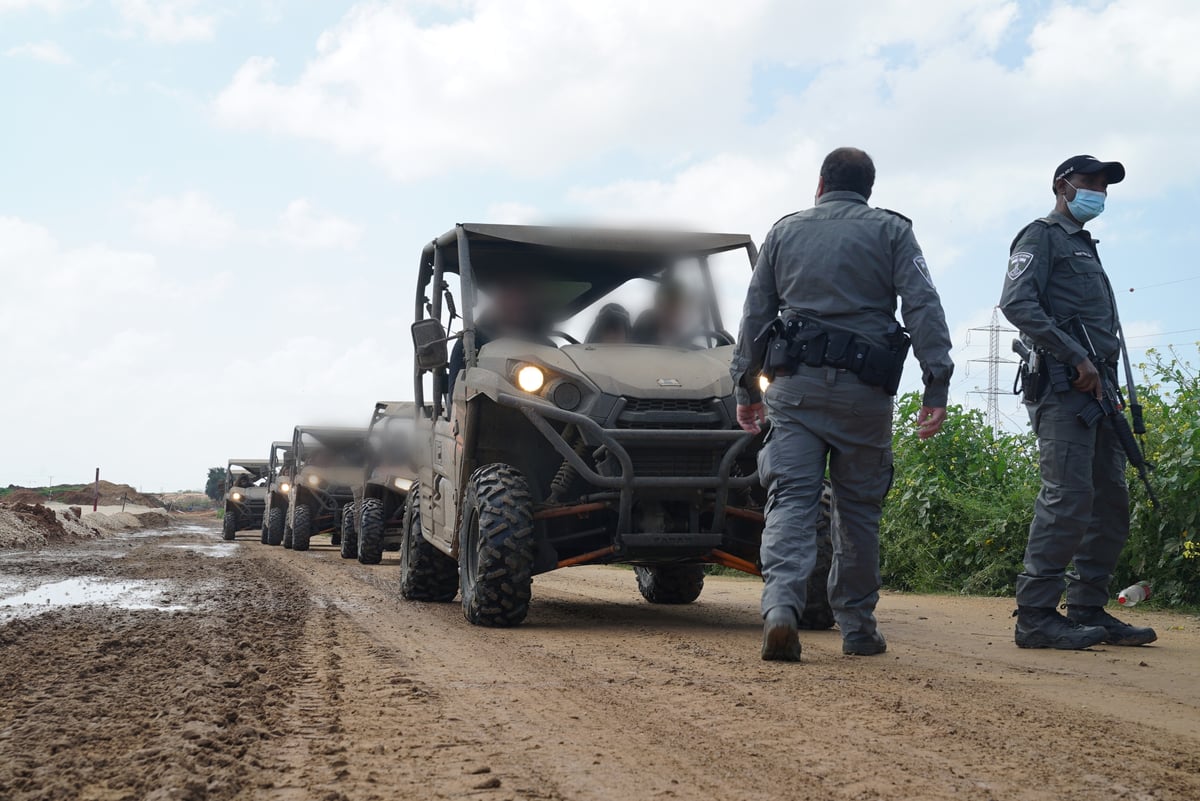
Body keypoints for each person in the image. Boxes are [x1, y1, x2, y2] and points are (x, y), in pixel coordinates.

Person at [731, 147, 954, 662]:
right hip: (864, 396)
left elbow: (755, 316)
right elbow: (923, 304)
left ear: (820, 184)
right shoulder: (893, 232)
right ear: (869, 188)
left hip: (795, 390)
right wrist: (935, 385)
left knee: (790, 500)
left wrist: (745, 389)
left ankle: (782, 611)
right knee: (857, 511)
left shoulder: (784, 232)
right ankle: (857, 627)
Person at [999, 155, 1156, 650]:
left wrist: (1098, 370)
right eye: (1089, 183)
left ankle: (1088, 607)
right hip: (1064, 387)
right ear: (1061, 186)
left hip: (1099, 389)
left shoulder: (1085, 245)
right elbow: (1017, 303)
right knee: (1067, 499)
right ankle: (1036, 616)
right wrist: (1074, 357)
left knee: (1110, 502)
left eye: (1104, 187)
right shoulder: (1040, 236)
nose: (1098, 193)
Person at [633, 279, 690, 345]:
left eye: (672, 303)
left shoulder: (691, 341)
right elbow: (633, 347)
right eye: (661, 303)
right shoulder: (644, 324)